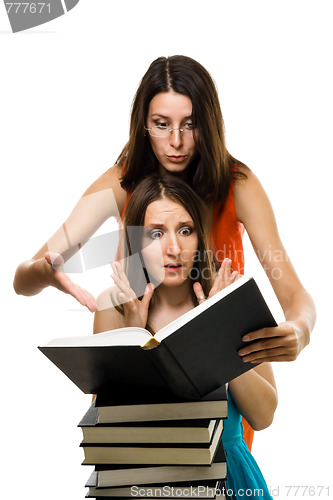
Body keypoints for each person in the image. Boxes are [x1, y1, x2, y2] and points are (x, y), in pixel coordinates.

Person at [13, 55, 315, 449]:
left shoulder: (237, 185)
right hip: (140, 394)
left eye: (190, 124)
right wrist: (46, 272)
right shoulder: (120, 183)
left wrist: (299, 331)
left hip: (224, 374)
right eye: (161, 125)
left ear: (208, 123)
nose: (176, 141)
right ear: (144, 126)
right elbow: (25, 277)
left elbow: (293, 293)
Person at [93, 174, 277, 500]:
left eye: (185, 230)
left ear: (200, 237)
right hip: (143, 479)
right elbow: (107, 426)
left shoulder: (230, 292)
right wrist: (134, 337)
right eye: (156, 234)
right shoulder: (114, 306)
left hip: (228, 476)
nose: (174, 248)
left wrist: (218, 335)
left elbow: (263, 417)